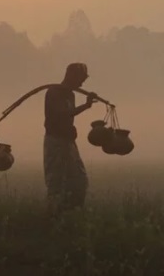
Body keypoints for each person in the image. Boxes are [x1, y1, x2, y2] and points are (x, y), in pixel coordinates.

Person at [43, 62, 98, 217]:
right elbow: (62, 114)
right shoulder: (54, 92)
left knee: (79, 182)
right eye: (80, 79)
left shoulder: (70, 94)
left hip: (68, 143)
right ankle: (52, 219)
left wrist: (86, 105)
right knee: (56, 184)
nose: (81, 83)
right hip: (55, 142)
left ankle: (72, 215)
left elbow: (68, 113)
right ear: (71, 76)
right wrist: (85, 106)